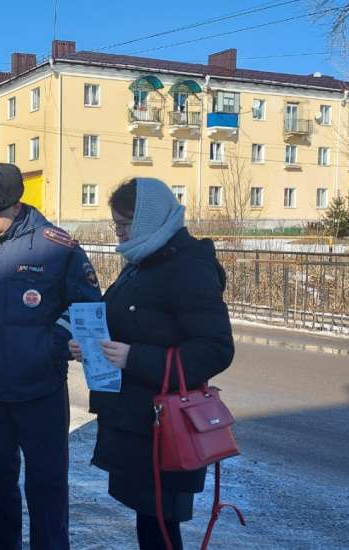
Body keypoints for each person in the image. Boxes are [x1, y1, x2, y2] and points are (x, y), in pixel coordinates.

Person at [0, 163, 102, 549]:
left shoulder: (56, 248)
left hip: (41, 390)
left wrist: (54, 342)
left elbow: (88, 306)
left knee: (46, 484)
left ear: (14, 204)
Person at [68, 178, 234, 550]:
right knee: (150, 521)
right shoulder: (142, 259)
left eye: (125, 223)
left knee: (161, 525)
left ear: (148, 219)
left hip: (165, 426)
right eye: (116, 224)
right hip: (137, 422)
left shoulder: (188, 266)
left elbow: (216, 349)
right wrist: (91, 345)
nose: (119, 233)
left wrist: (133, 357)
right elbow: (133, 321)